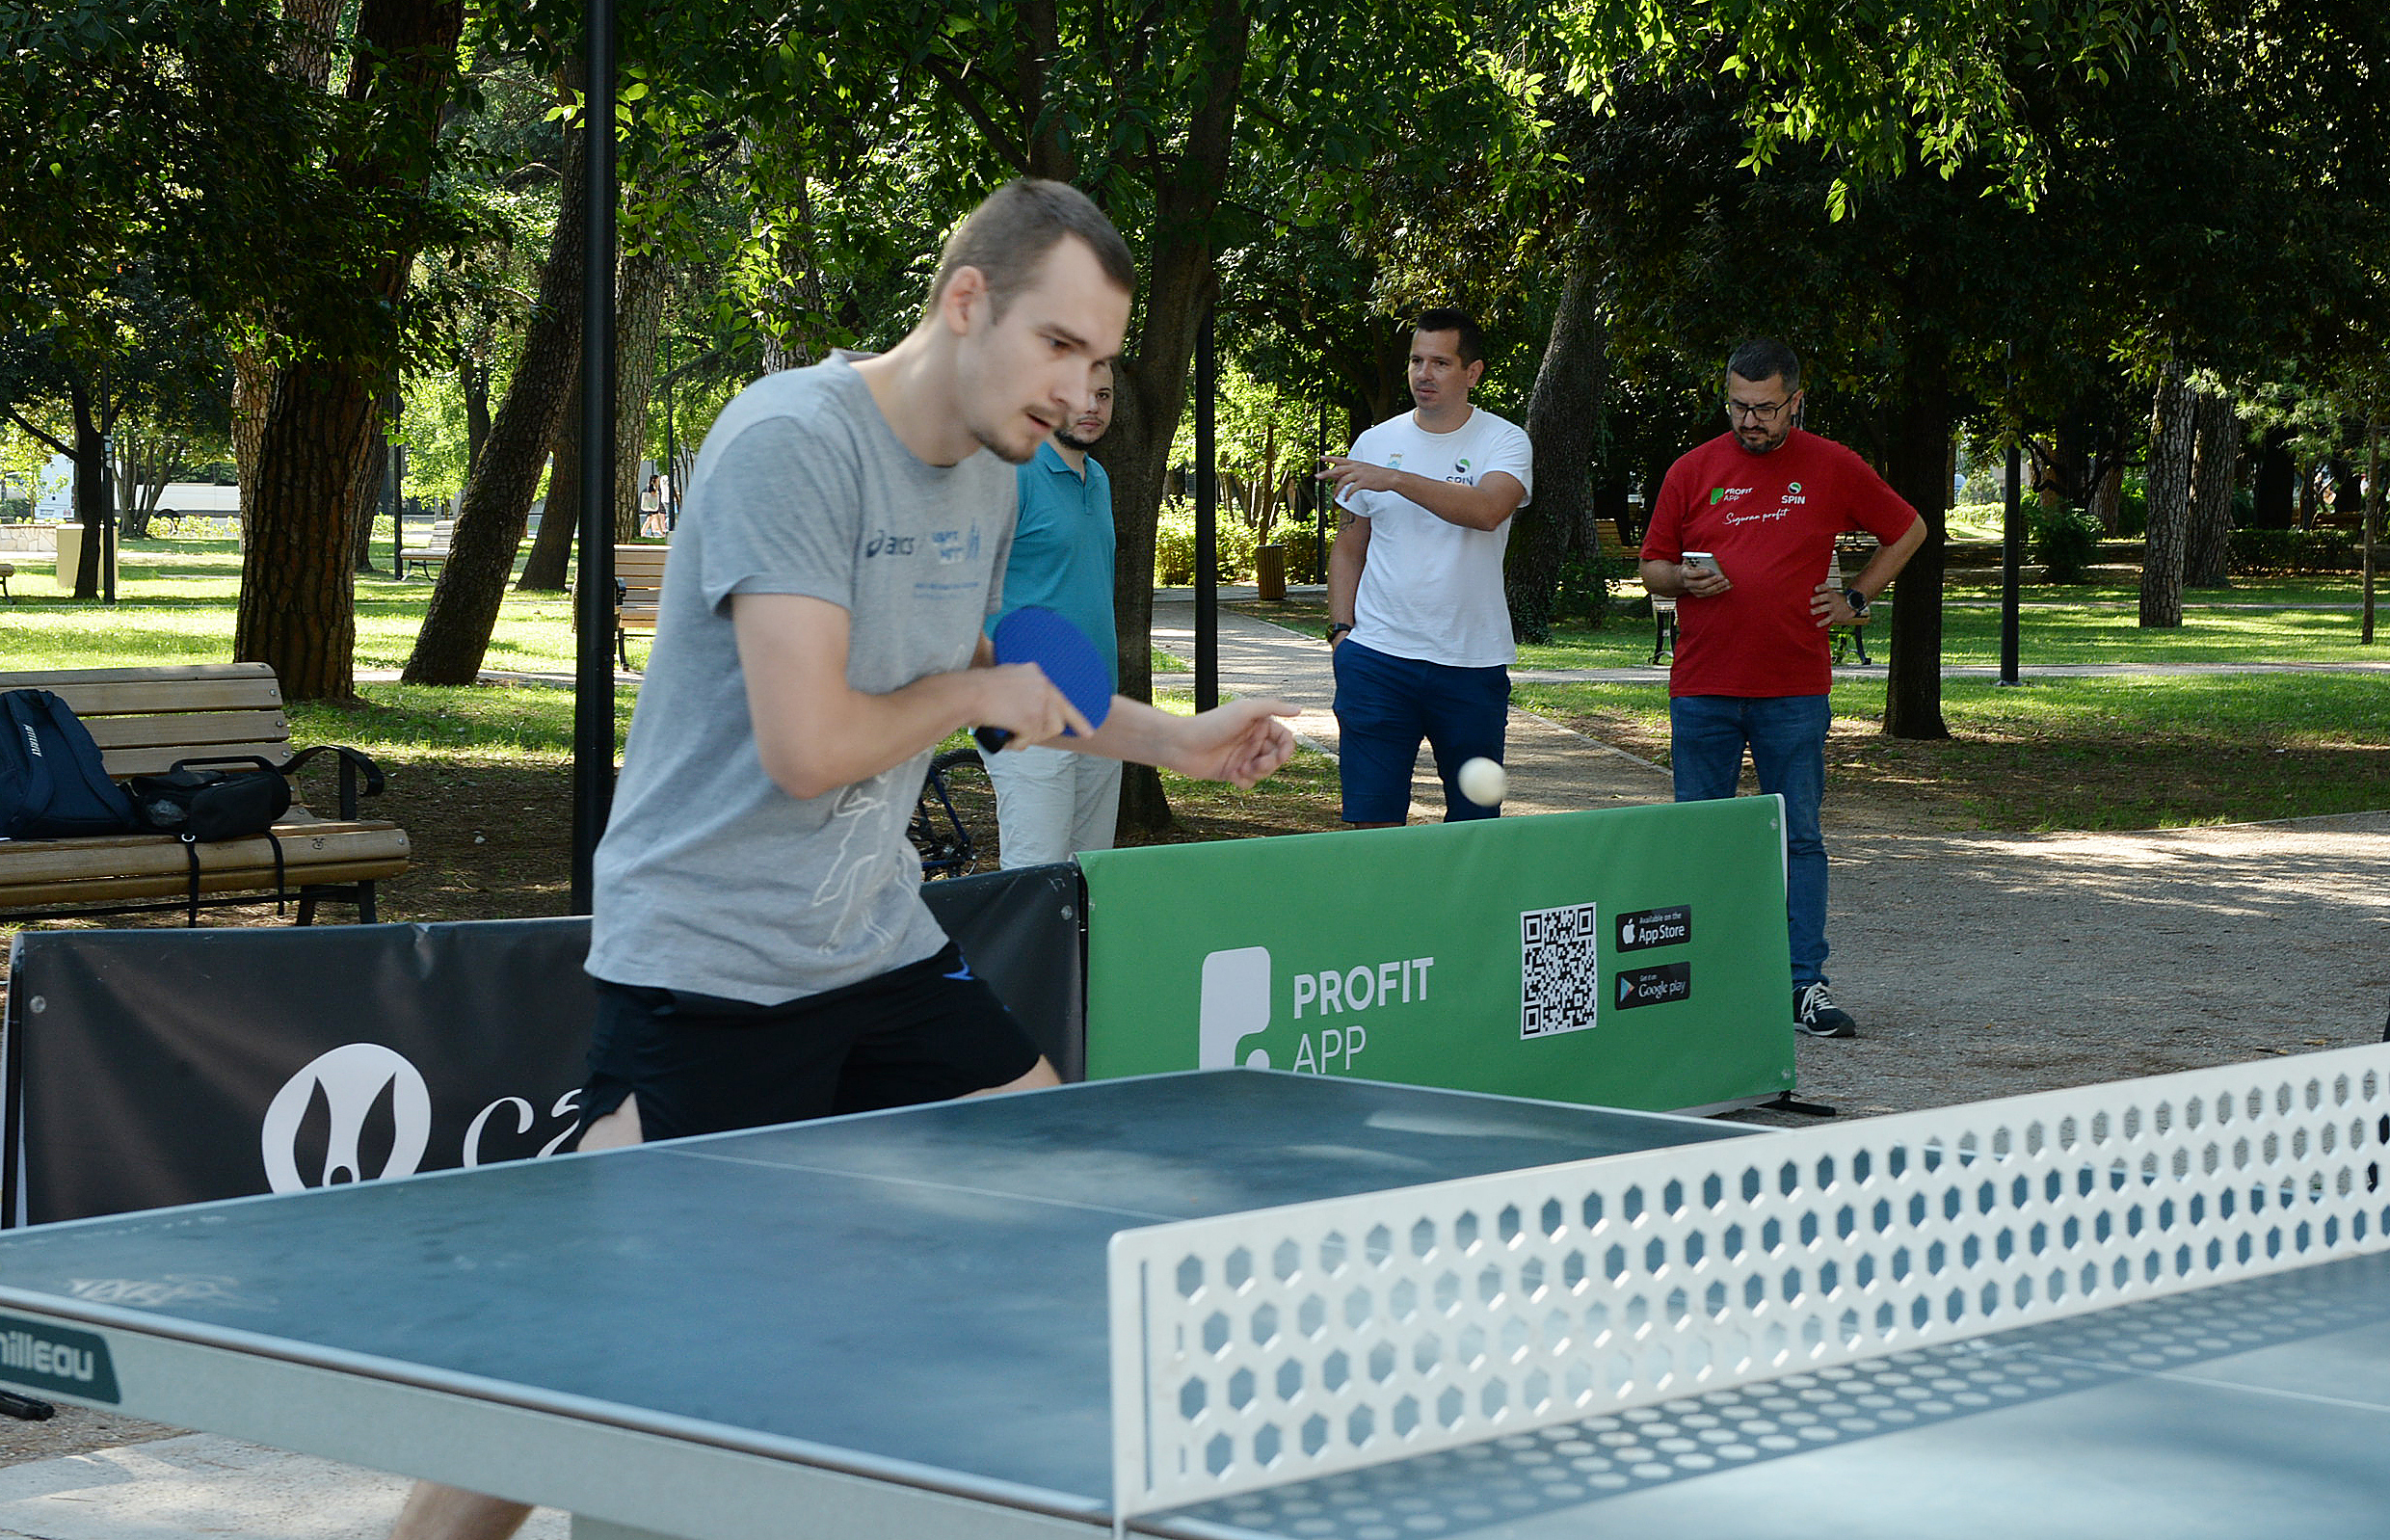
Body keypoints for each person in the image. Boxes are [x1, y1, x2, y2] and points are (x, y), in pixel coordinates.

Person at [387, 178, 1295, 1540]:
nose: (1078, 389)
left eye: (1099, 357)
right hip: (713, 960)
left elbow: (983, 665)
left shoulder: (992, 470)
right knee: (582, 1351)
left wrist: (1182, 741)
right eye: (1058, 344)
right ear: (966, 300)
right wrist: (975, 694)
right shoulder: (790, 443)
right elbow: (809, 741)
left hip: (871, 941)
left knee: (1053, 1178)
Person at [1638, 338, 1927, 1039]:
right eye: (1738, 405)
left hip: (1793, 689)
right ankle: (1704, 987)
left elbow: (1909, 529)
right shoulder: (1692, 469)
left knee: (1798, 837)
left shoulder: (1831, 465)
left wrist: (1856, 598)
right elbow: (1653, 565)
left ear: (1795, 402)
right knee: (1699, 841)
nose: (1750, 421)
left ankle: (1802, 984)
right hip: (1703, 688)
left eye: (1765, 408)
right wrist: (1683, 580)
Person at [1318, 308, 1532, 827]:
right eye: (1416, 361)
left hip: (1471, 665)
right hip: (1377, 661)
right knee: (1371, 820)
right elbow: (1349, 545)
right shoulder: (1375, 443)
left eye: (1440, 362)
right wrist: (1342, 633)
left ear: (1472, 372)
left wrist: (1395, 479)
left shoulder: (1503, 441)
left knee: (1474, 820)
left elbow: (1488, 510)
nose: (1423, 374)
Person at [978, 358, 1122, 866]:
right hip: (1026, 713)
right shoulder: (1010, 474)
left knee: (1090, 876)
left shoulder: (1098, 477)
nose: (1091, 407)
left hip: (1097, 707)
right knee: (1036, 875)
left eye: (1102, 395)